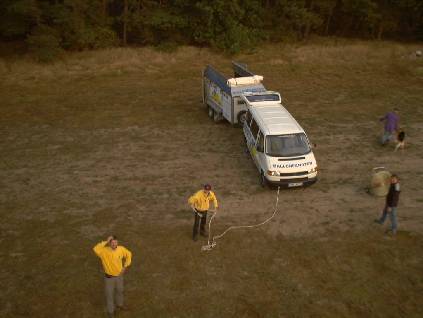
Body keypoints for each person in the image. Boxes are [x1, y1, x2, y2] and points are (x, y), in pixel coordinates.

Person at [93, 236, 132, 318]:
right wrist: (105, 241)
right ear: (109, 243)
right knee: (109, 295)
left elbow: (129, 254)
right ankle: (111, 312)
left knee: (120, 291)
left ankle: (120, 305)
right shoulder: (103, 251)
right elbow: (95, 248)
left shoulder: (121, 249)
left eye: (116, 242)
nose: (114, 244)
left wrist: (125, 266)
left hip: (119, 276)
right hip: (109, 278)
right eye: (112, 242)